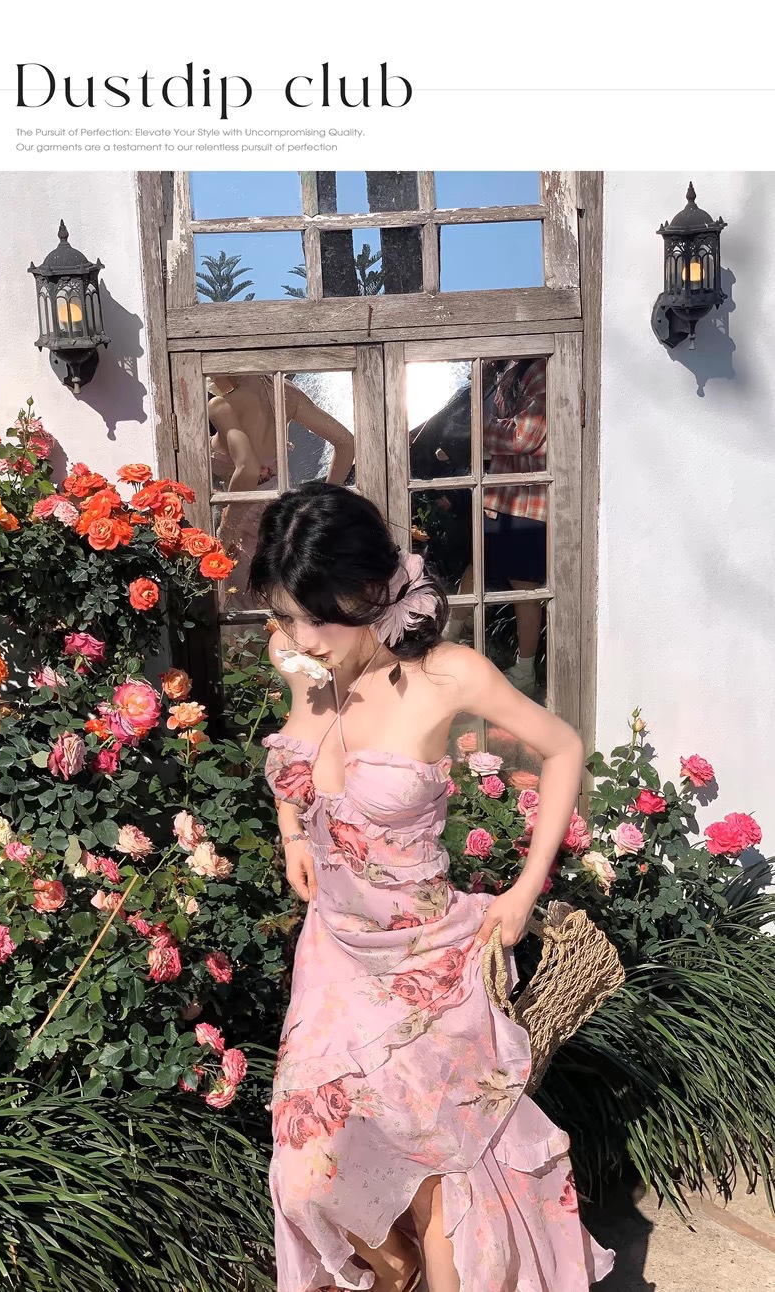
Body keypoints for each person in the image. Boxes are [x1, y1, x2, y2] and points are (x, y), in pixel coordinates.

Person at [248, 481, 614, 1292]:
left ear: (368, 591)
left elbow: (562, 749)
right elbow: (293, 758)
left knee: (446, 1173)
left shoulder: (449, 676)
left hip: (430, 963)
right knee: (305, 1176)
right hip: (335, 959)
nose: (301, 638)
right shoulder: (302, 662)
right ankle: (395, 1264)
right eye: (287, 616)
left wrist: (523, 891)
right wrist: (292, 833)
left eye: (317, 617)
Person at [207, 373, 355, 605]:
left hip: (241, 522)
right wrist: (323, 503)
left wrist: (227, 529)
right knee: (281, 599)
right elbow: (346, 442)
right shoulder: (284, 392)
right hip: (280, 515)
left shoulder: (221, 406)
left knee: (244, 605)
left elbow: (248, 469)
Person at [482, 356, 548, 698]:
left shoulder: (539, 369)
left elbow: (524, 436)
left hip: (527, 498)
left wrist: (479, 429)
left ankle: (525, 669)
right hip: (499, 494)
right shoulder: (501, 370)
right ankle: (447, 636)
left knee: (524, 587)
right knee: (477, 567)